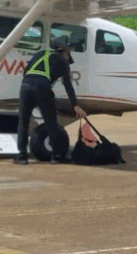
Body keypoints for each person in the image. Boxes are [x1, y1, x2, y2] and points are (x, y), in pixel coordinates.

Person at [14, 36, 87, 165]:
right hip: (42, 88)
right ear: (65, 52)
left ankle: (22, 156)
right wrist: (75, 105)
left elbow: (26, 72)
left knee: (23, 121)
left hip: (25, 87)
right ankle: (56, 155)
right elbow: (67, 85)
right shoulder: (62, 61)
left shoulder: (40, 53)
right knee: (50, 122)